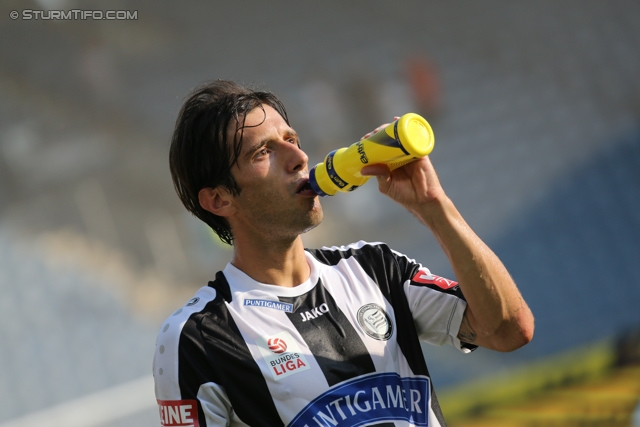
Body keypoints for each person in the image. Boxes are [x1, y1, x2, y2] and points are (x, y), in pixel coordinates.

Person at [153, 80, 534, 427]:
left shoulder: (373, 267)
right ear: (218, 199)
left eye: (292, 138)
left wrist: (436, 208)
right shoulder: (198, 337)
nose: (299, 157)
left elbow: (509, 331)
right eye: (263, 152)